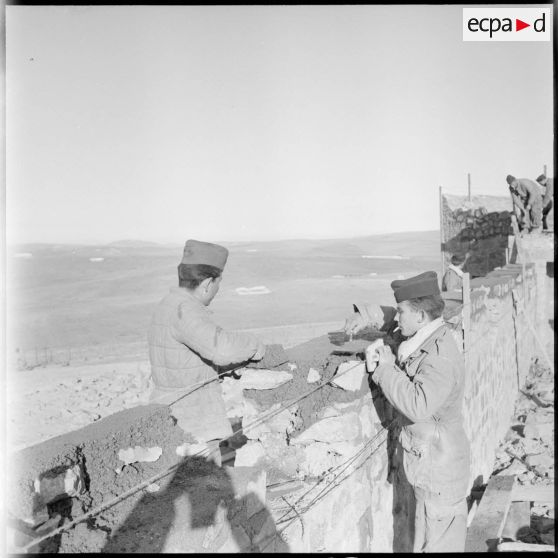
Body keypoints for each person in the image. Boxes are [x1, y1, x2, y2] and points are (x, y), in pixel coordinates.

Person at [362, 271, 471, 552]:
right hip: (432, 465)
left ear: (421, 316)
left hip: (439, 470)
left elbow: (419, 405)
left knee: (438, 546)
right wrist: (369, 314)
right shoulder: (428, 336)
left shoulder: (438, 356)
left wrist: (385, 369)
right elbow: (396, 323)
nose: (397, 319)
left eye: (402, 312)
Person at [147, 239, 266, 465]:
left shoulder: (168, 304)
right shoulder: (186, 310)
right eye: (218, 283)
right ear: (208, 283)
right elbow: (220, 349)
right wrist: (254, 345)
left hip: (171, 409)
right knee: (220, 481)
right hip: (195, 418)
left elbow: (186, 356)